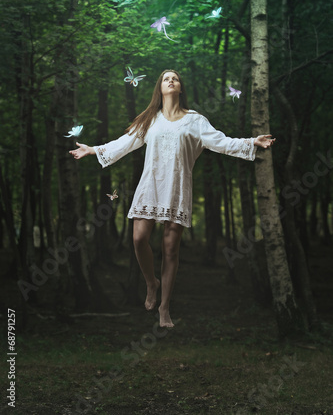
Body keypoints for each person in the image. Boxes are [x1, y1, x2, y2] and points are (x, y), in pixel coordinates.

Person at [70, 69, 275, 327]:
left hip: (177, 188)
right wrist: (93, 149)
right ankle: (151, 283)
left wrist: (250, 142)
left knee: (170, 250)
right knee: (138, 238)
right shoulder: (149, 120)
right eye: (166, 78)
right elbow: (124, 143)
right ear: (160, 88)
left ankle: (164, 308)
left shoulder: (195, 120)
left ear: (180, 88)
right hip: (150, 186)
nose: (171, 80)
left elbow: (220, 141)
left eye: (175, 79)